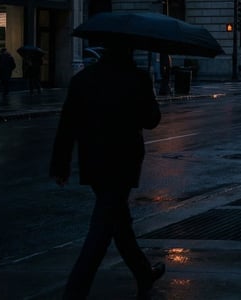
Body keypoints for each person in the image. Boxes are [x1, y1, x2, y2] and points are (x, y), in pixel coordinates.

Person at [49, 43, 166, 299]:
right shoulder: (137, 79)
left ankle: (143, 272)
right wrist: (150, 95)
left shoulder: (83, 79)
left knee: (119, 222)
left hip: (93, 161)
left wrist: (61, 164)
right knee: (102, 229)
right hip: (124, 162)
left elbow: (68, 123)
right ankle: (74, 292)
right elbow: (152, 120)